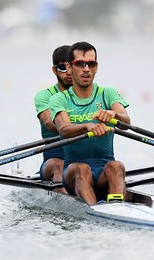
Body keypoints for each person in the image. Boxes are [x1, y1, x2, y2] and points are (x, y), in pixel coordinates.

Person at [49, 41, 130, 205]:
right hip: (74, 172)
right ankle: (95, 211)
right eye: (80, 64)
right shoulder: (59, 99)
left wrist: (114, 114)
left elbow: (126, 121)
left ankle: (116, 207)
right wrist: (87, 126)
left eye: (91, 64)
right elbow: (63, 129)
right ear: (70, 68)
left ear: (96, 67)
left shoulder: (108, 93)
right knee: (82, 169)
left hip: (103, 171)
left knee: (116, 166)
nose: (86, 69)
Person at [34, 45, 72, 193]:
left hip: (85, 161)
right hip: (54, 160)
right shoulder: (44, 96)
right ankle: (70, 203)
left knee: (114, 166)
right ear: (54, 70)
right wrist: (86, 125)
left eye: (71, 66)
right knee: (60, 166)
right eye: (63, 67)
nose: (68, 72)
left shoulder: (91, 95)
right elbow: (50, 123)